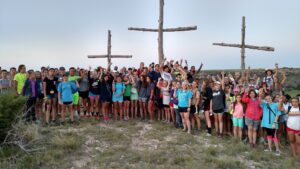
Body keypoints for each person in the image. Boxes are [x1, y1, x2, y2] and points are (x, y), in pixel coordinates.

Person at [210, 72, 225, 137]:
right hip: (214, 108)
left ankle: (221, 133)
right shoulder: (213, 91)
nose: (217, 85)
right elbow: (211, 100)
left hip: (220, 107)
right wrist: (210, 108)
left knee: (220, 120)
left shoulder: (221, 91)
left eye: (218, 85)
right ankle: (217, 132)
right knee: (216, 120)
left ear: (219, 86)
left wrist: (222, 75)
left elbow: (223, 84)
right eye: (216, 85)